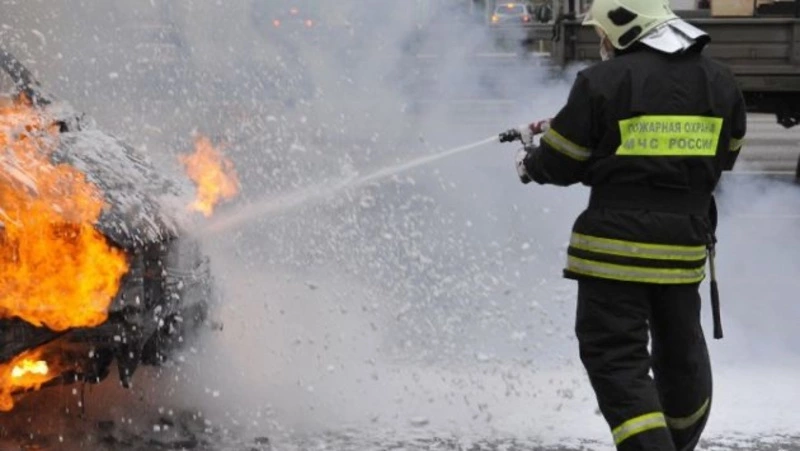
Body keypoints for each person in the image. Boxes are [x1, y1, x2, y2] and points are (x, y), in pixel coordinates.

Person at [499, 0, 746, 449]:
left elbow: (563, 161)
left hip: (613, 251)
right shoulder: (720, 81)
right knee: (680, 355)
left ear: (624, 27)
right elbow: (726, 152)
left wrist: (529, 162)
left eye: (604, 34)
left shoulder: (601, 81)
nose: (603, 43)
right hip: (683, 250)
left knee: (616, 358)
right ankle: (678, 440)